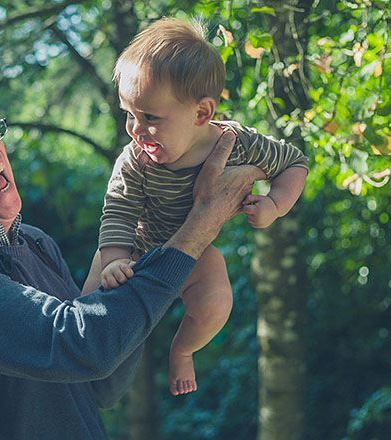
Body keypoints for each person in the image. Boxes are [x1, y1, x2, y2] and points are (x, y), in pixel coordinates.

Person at [0, 99, 263, 439]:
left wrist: (147, 242)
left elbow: (101, 382)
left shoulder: (33, 243)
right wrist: (199, 227)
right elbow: (84, 346)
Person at [80, 18, 309, 396]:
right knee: (92, 312)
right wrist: (115, 260)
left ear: (202, 114)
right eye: (128, 114)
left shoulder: (238, 143)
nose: (135, 130)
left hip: (195, 255)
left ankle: (183, 350)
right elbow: (119, 209)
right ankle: (88, 378)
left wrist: (274, 204)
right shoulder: (136, 158)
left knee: (216, 303)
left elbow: (294, 163)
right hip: (136, 246)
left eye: (150, 117)